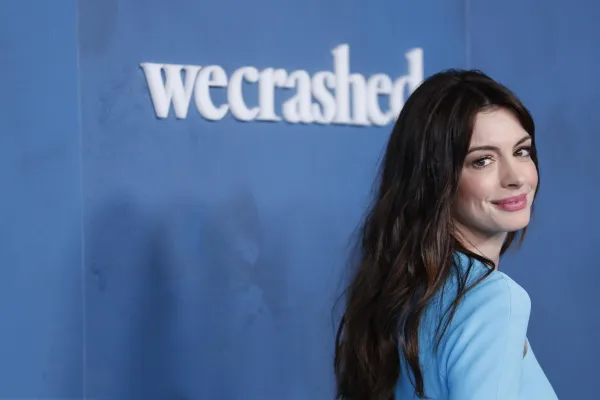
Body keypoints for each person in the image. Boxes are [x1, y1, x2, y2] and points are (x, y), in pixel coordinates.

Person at [333, 69, 558, 399]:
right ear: (436, 178)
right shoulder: (493, 299)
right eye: (482, 160)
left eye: (521, 151)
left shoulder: (403, 293)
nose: (515, 177)